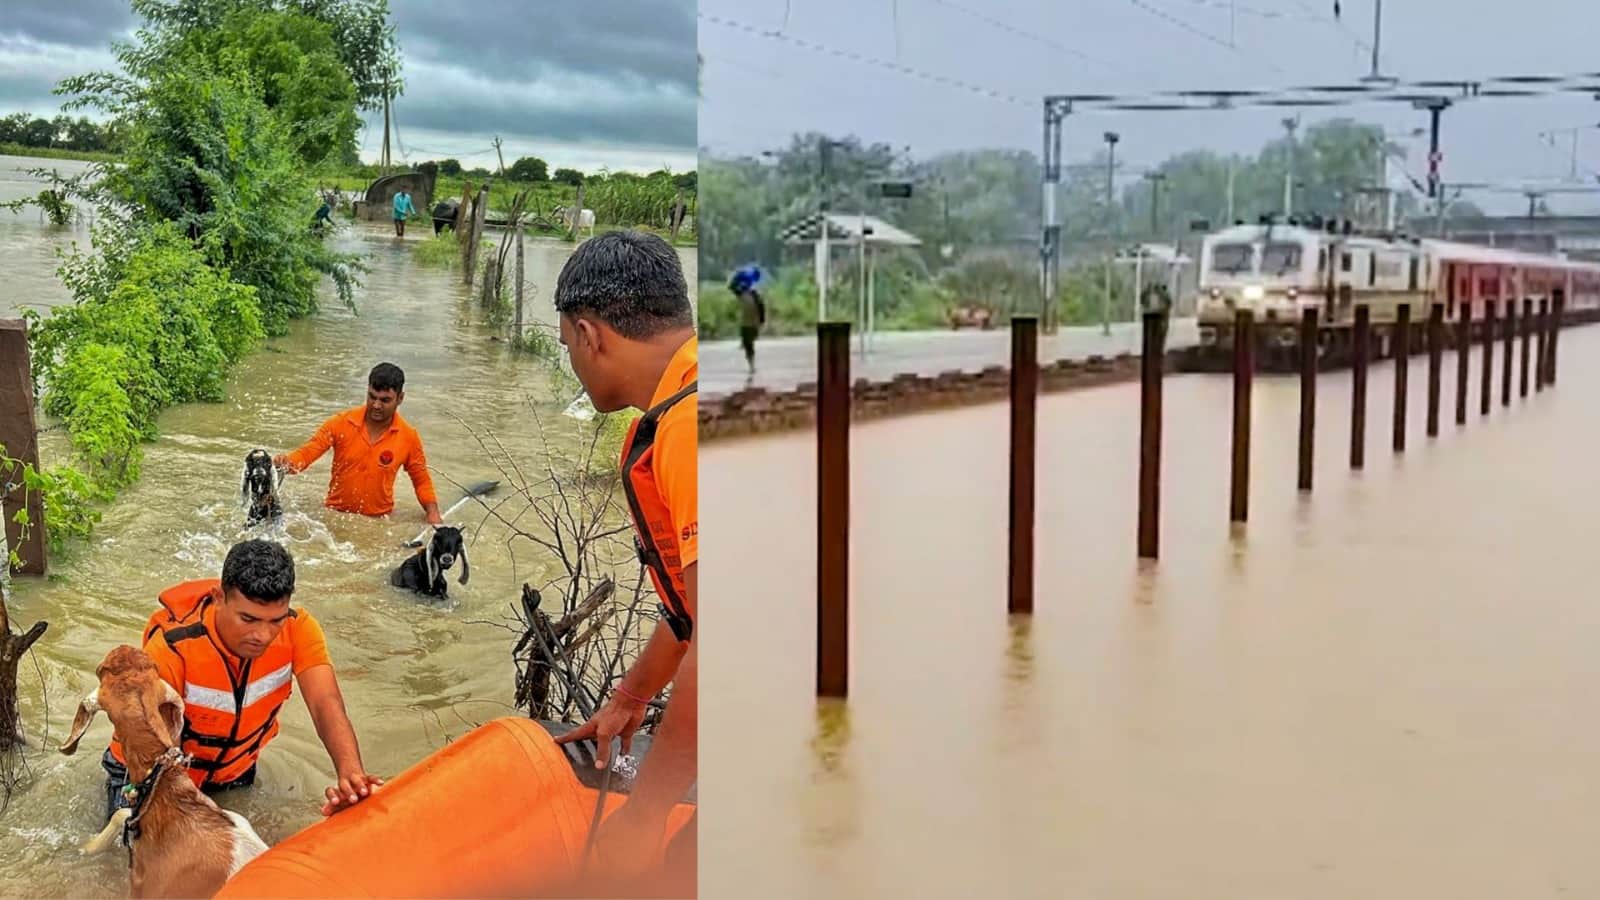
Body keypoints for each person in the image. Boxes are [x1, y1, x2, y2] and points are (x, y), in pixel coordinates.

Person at [550, 231, 697, 895]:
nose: (573, 366)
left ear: (589, 334)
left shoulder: (689, 428)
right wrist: (631, 696)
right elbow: (696, 613)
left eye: (567, 348)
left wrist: (644, 815)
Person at [102, 539, 382, 820]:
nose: (263, 635)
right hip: (147, 772)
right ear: (218, 598)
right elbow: (154, 748)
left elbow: (325, 703)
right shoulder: (172, 647)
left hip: (234, 773)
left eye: (276, 620)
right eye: (248, 619)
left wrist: (351, 775)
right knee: (139, 843)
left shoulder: (298, 629)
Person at [273, 363, 444, 525]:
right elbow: (308, 452)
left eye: (385, 400)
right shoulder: (340, 423)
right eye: (372, 397)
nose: (376, 405)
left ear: (400, 398)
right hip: (335, 516)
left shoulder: (408, 436)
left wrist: (433, 514)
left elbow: (421, 480)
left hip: (379, 522)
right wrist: (286, 463)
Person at [728, 264, 765, 374]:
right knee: (749, 345)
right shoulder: (749, 295)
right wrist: (761, 321)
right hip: (748, 324)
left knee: (749, 345)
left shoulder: (750, 295)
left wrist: (761, 321)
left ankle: (751, 365)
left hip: (750, 324)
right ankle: (751, 366)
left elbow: (762, 309)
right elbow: (731, 286)